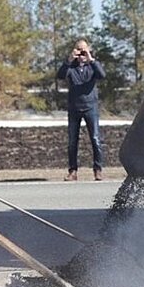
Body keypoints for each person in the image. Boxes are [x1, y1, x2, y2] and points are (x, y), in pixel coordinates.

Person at [57, 39, 106, 181]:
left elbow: (102, 75)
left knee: (95, 139)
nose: (81, 53)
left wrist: (91, 59)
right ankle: (73, 171)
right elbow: (60, 75)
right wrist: (69, 60)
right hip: (74, 108)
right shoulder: (71, 67)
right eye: (79, 50)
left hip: (91, 107)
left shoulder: (92, 66)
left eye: (84, 50)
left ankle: (98, 169)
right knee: (72, 141)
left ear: (89, 50)